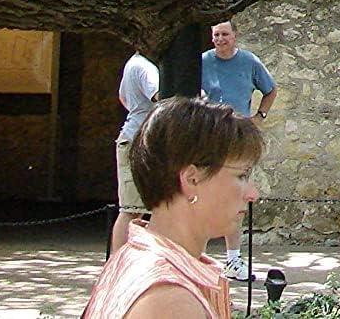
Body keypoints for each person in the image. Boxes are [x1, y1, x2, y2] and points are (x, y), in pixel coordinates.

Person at [84, 97, 261, 318]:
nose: (254, 193)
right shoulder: (169, 299)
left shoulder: (134, 258)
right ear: (192, 180)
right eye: (242, 175)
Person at [199, 20, 275, 278]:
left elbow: (270, 89)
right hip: (210, 136)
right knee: (203, 194)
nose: (220, 39)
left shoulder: (249, 61)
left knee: (236, 198)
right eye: (216, 35)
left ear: (235, 36)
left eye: (225, 34)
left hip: (238, 138)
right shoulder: (203, 61)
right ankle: (198, 258)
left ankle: (233, 260)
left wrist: (259, 116)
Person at [111, 51, 160, 253]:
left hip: (142, 140)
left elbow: (123, 97)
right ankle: (117, 264)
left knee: (143, 209)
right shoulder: (145, 67)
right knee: (131, 210)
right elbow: (161, 96)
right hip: (136, 142)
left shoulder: (133, 63)